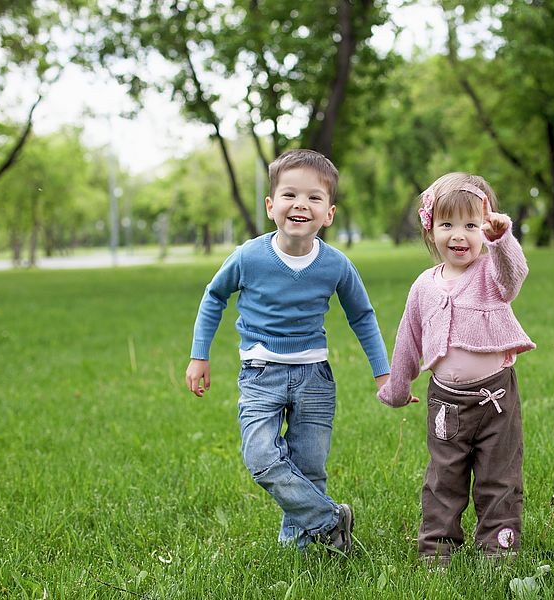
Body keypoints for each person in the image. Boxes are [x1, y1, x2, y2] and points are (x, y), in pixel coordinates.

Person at [186, 149, 390, 553]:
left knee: (309, 467)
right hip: (261, 374)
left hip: (314, 377)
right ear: (271, 205)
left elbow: (362, 316)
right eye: (290, 195)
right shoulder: (249, 257)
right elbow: (214, 297)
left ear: (329, 213)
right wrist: (199, 354)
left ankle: (297, 549)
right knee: (261, 456)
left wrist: (383, 372)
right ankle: (331, 519)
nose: (301, 204)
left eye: (315, 198)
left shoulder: (336, 265)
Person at [377, 172, 536, 565]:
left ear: (485, 227)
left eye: (471, 224)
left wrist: (502, 240)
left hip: (496, 399)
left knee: (499, 478)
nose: (459, 235)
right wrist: (397, 389)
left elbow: (514, 277)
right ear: (431, 231)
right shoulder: (424, 286)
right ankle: (436, 551)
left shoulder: (491, 273)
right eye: (447, 224)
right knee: (443, 479)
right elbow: (407, 340)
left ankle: (498, 551)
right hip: (445, 403)